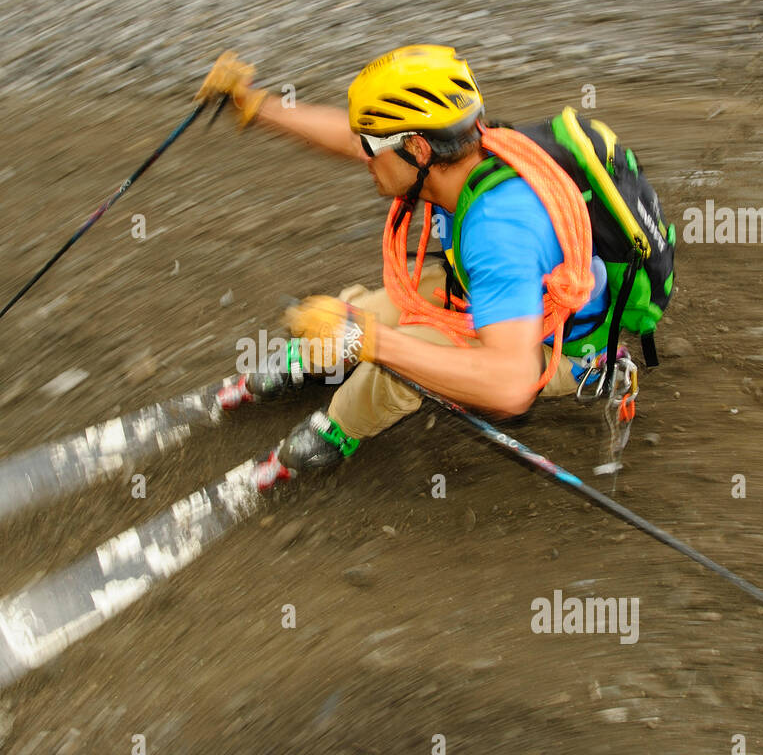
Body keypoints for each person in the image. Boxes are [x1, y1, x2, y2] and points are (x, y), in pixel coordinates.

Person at [196, 45, 613, 473]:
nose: (363, 157)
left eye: (371, 146)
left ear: (416, 149)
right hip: (499, 295)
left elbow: (512, 385)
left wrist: (372, 341)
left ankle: (341, 427)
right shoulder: (469, 151)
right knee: (370, 310)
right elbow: (347, 137)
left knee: (399, 358)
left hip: (554, 346)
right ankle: (318, 354)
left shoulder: (497, 231)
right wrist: (255, 105)